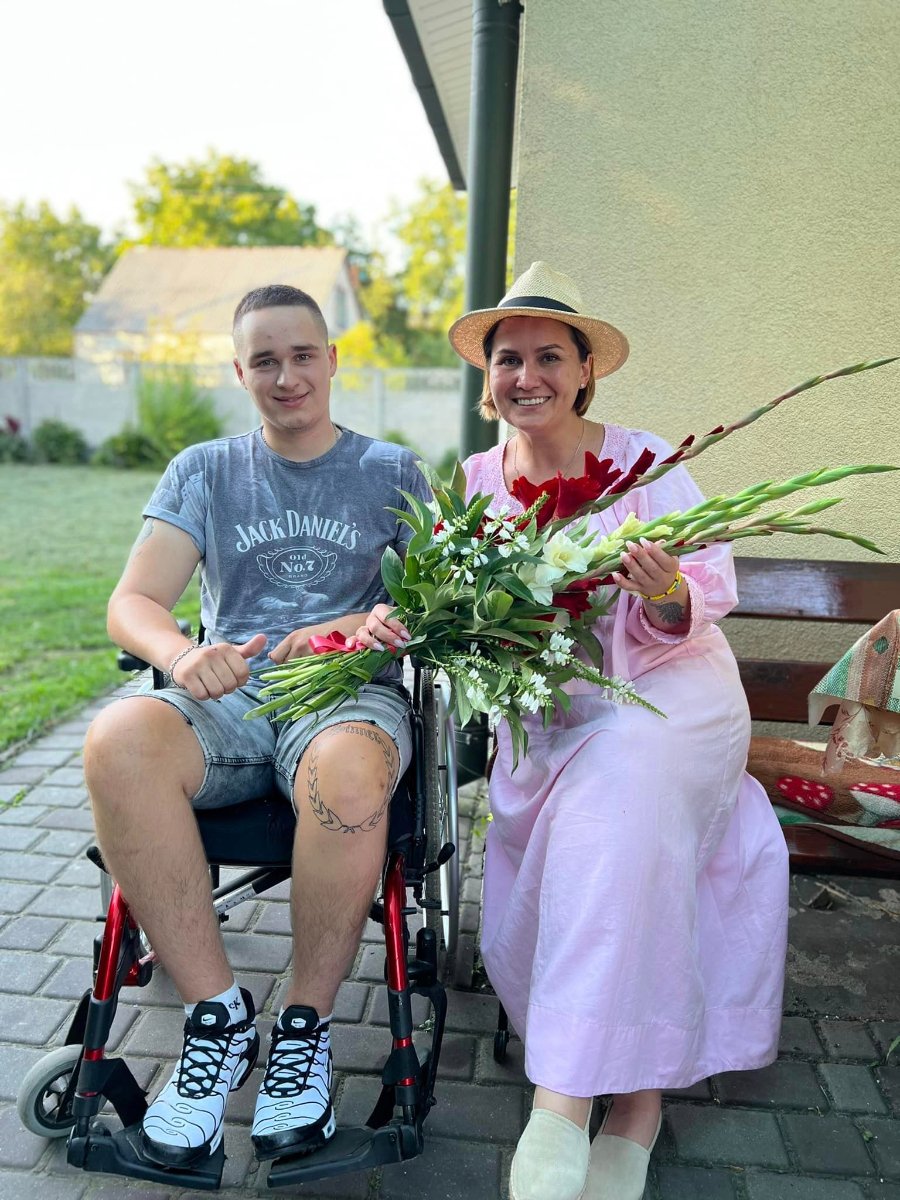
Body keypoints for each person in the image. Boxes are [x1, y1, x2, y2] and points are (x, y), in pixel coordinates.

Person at [357, 262, 789, 1200]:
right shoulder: (475, 482)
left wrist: (665, 592)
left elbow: (705, 591)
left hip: (671, 698)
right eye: (509, 359)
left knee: (620, 799)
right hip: (550, 716)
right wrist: (412, 619)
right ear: (490, 377)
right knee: (611, 824)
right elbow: (452, 610)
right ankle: (637, 1097)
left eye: (549, 356)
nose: (528, 376)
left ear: (585, 370)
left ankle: (569, 1105)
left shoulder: (645, 463)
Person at [83, 284, 431, 1169]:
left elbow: (437, 603)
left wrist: (370, 624)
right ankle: (218, 1018)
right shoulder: (205, 471)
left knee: (347, 773)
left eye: (302, 355)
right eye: (265, 361)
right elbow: (133, 601)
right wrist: (181, 653)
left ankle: (304, 1028)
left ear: (332, 359)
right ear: (240, 373)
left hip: (346, 696)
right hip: (232, 697)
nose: (286, 377)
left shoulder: (392, 472)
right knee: (116, 742)